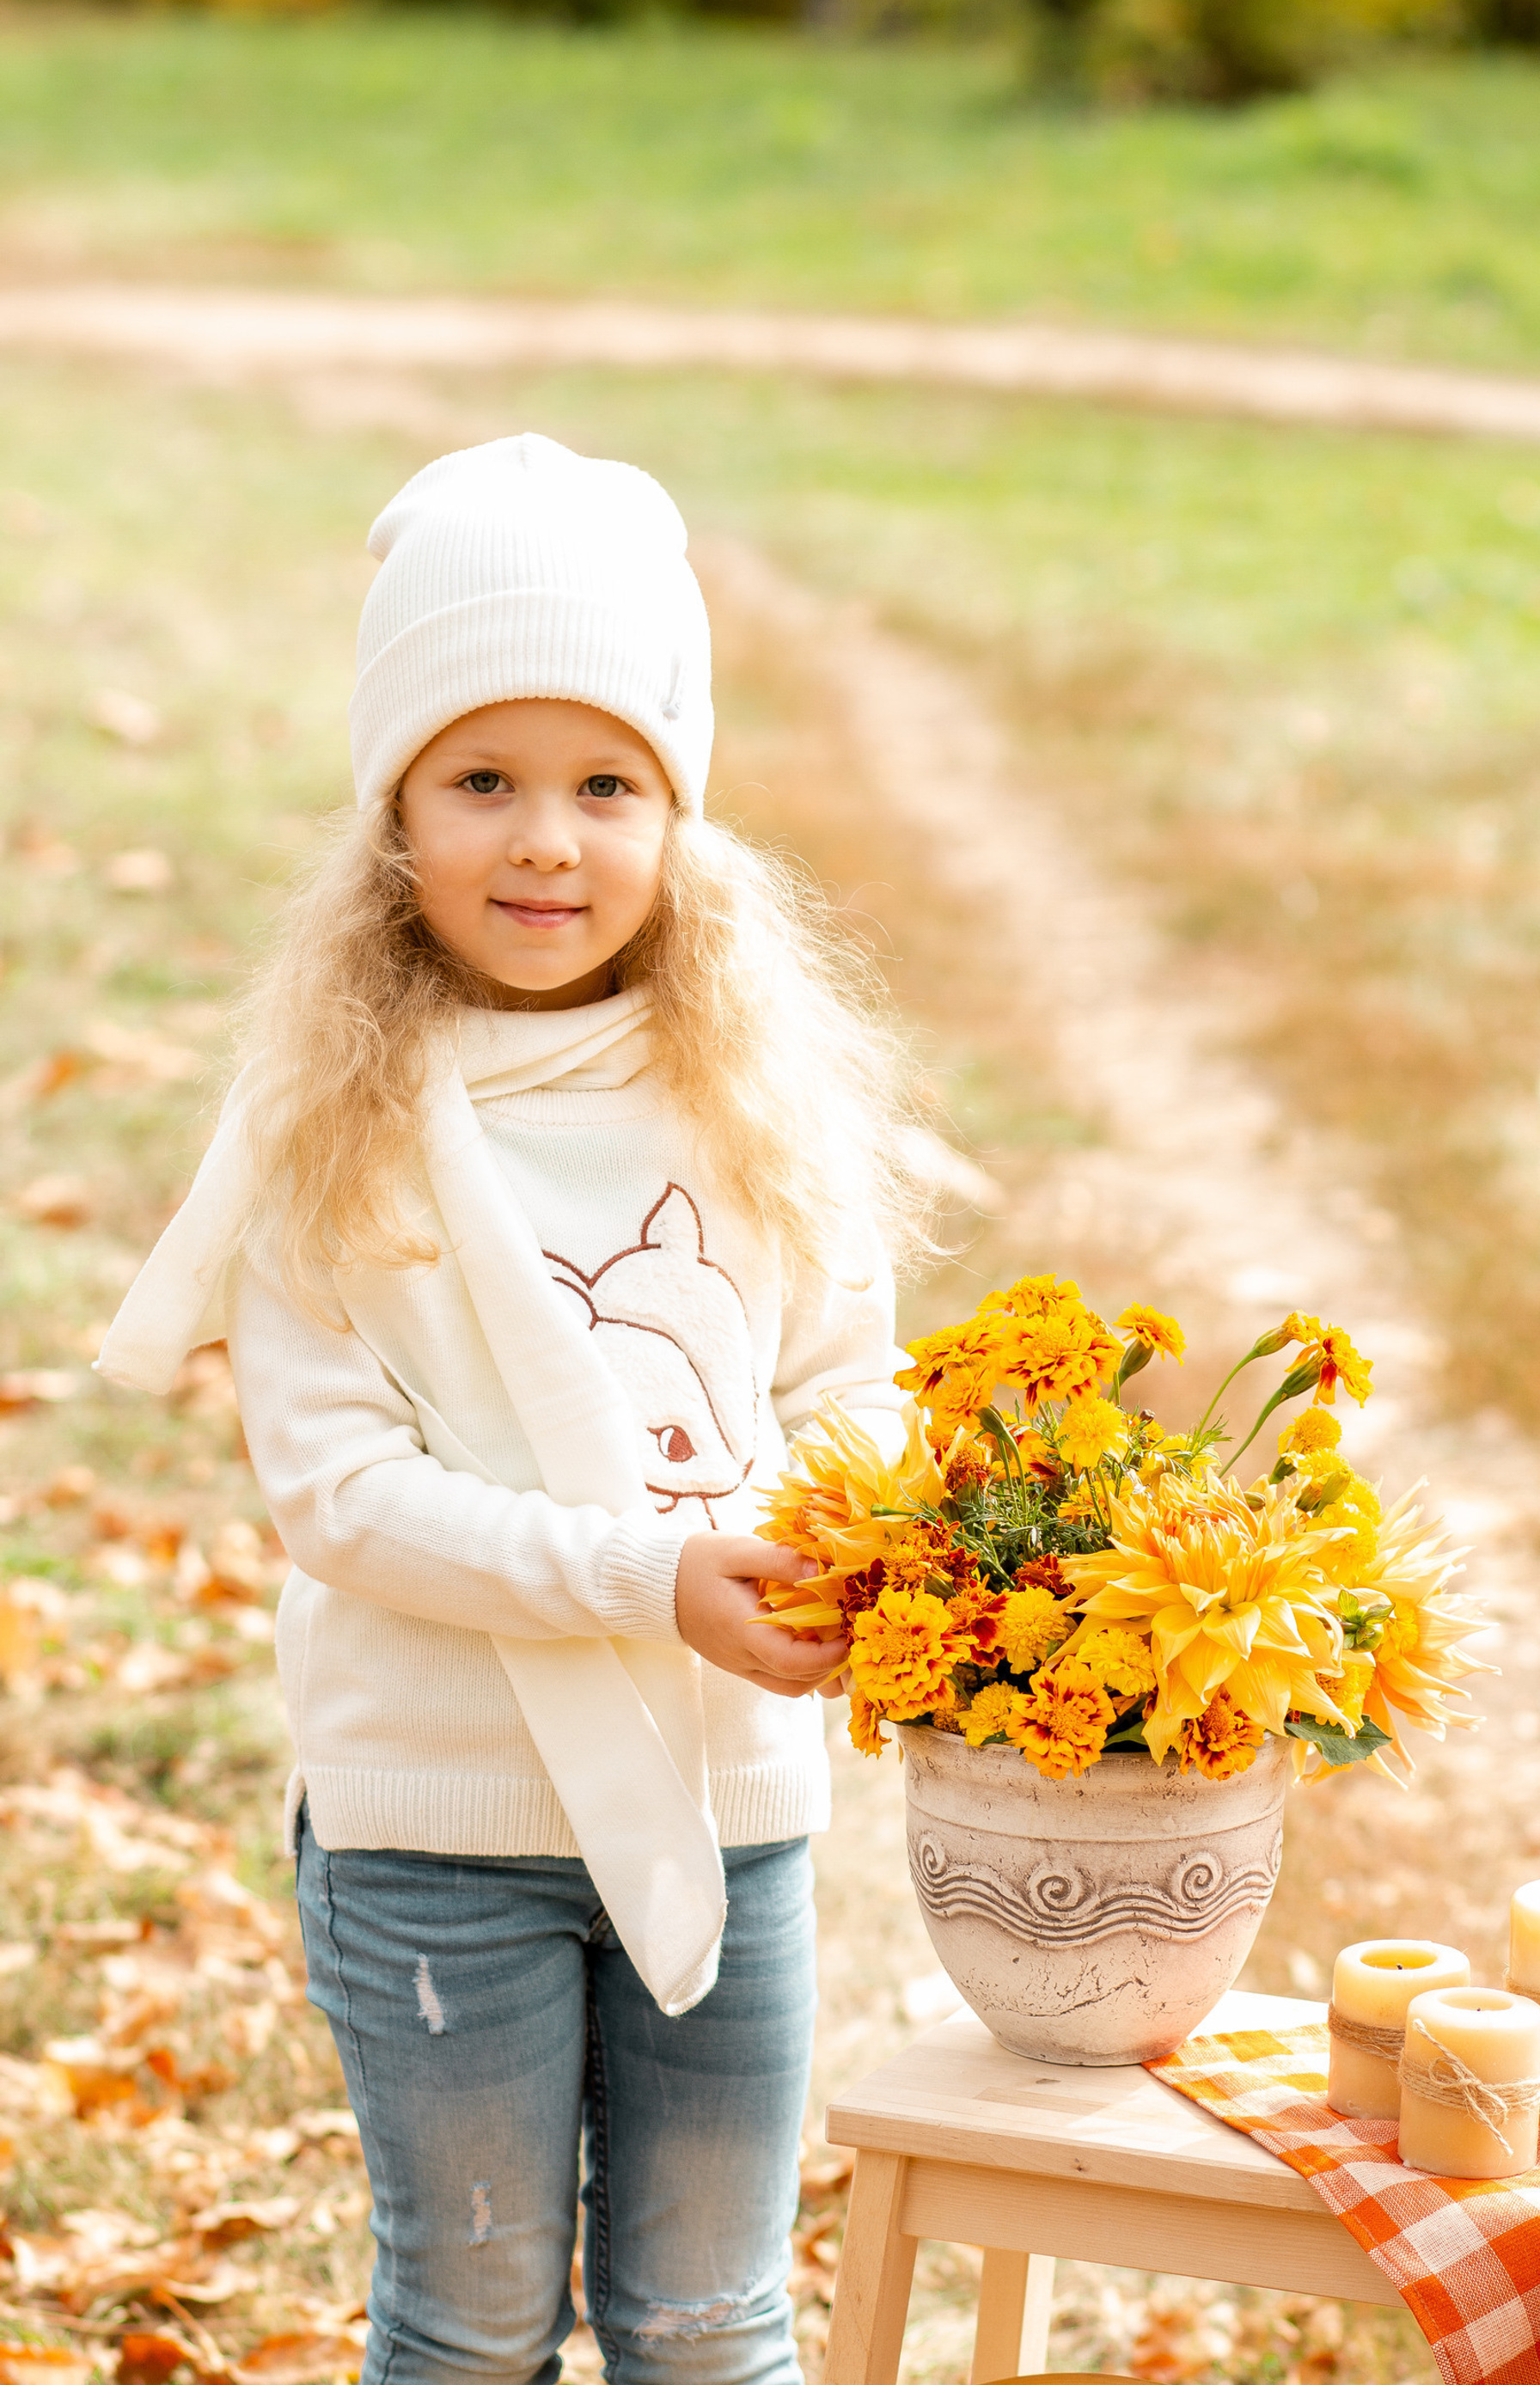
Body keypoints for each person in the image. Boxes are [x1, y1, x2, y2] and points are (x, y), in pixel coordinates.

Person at [98, 434, 930, 2385]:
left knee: (709, 2314)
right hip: (437, 1822)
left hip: (724, 1799)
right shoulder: (334, 1121)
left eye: (606, 783)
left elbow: (845, 1382)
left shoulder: (755, 1099)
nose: (546, 839)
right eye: (483, 779)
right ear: (394, 811)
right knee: (470, 2319)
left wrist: (810, 1526)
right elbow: (342, 1498)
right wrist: (650, 1571)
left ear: (678, 811)